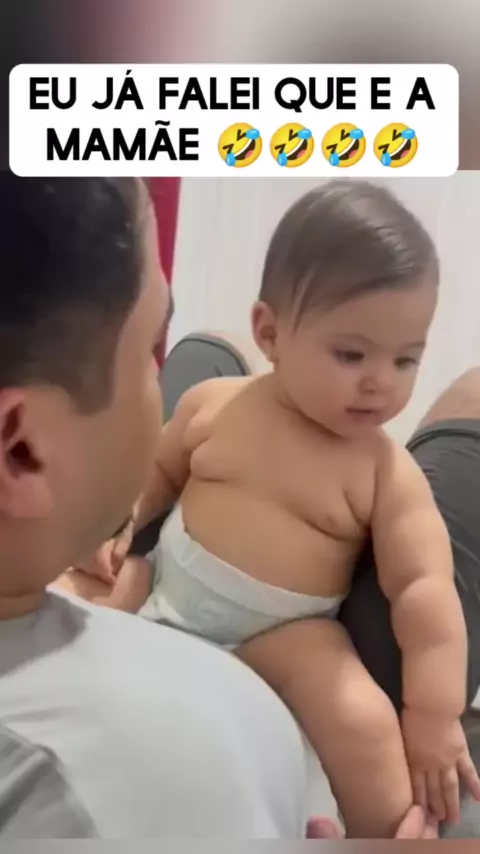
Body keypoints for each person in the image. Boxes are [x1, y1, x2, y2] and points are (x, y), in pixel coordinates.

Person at [71, 181, 480, 838]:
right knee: (75, 602)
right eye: (351, 354)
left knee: (363, 722)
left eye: (407, 359)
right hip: (168, 585)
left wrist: (433, 716)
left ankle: (387, 834)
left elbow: (425, 594)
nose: (381, 381)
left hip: (286, 632)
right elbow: (158, 472)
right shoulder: (215, 404)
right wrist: (117, 520)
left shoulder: (385, 472)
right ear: (269, 332)